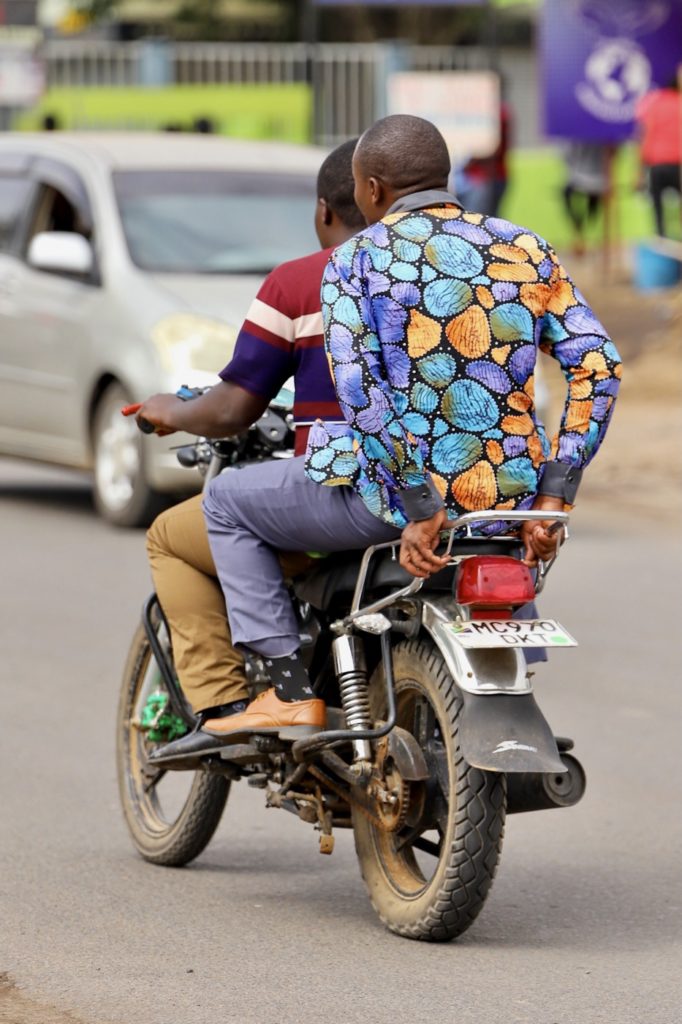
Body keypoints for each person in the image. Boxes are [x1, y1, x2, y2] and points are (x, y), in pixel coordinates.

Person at [192, 114, 621, 746]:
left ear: (370, 190)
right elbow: (599, 365)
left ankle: (286, 691)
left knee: (225, 502)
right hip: (509, 508)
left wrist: (418, 505)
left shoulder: (354, 261)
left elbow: (361, 394)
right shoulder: (525, 248)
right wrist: (553, 496)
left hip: (392, 507)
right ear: (444, 179)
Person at [132, 140, 365, 761]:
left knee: (176, 530)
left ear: (326, 210)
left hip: (352, 497)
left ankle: (233, 705)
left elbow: (235, 407)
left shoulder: (304, 280)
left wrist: (170, 410)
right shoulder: (457, 275)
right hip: (460, 494)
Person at [635, 78, 682, 238]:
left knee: (657, 206)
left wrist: (639, 171)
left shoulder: (654, 104)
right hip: (678, 163)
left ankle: (660, 235)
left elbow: (645, 137)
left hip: (657, 163)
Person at [561, 142, 611, 257]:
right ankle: (580, 230)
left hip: (594, 179)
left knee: (590, 203)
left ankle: (583, 232)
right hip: (582, 177)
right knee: (570, 196)